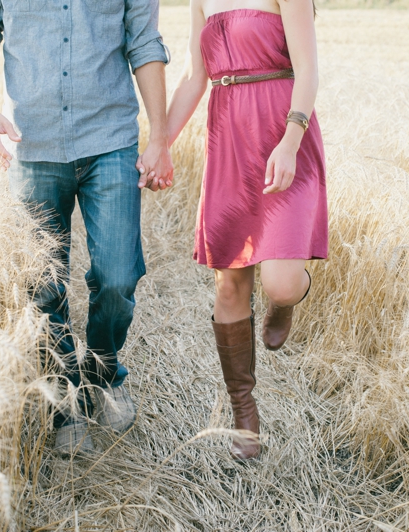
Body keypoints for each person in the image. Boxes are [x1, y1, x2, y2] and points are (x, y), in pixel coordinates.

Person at [0, 0, 174, 456]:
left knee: (118, 277)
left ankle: (102, 371)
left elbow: (144, 41)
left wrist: (159, 137)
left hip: (110, 141)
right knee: (42, 287)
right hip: (31, 142)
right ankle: (65, 403)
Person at [165, 0, 327, 460]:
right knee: (231, 285)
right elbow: (196, 78)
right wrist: (161, 143)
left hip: (282, 138)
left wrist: (291, 141)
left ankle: (288, 296)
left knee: (279, 282)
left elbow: (309, 71)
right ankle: (244, 413)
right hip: (228, 143)